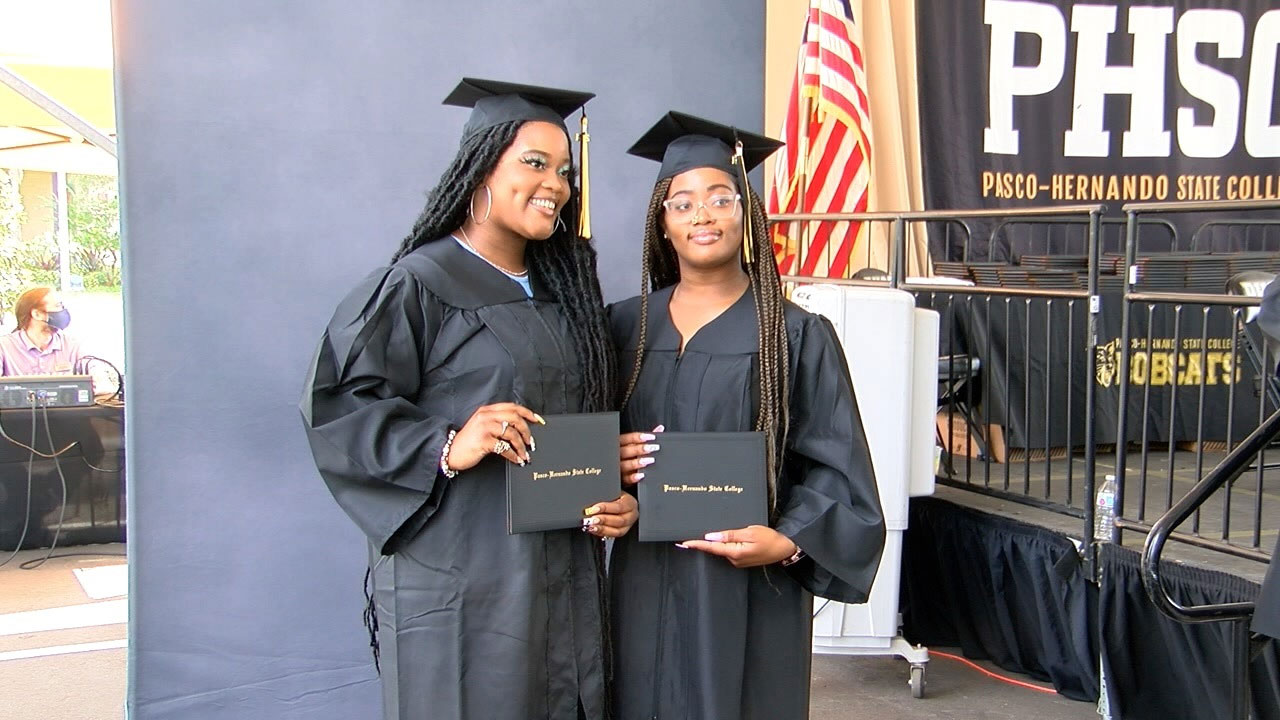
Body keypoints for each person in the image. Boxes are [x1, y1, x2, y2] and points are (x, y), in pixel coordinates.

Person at [300, 78, 636, 720]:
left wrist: (612, 489)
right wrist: (447, 444)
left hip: (561, 568)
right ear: (481, 169)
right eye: (534, 163)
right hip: (465, 575)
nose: (557, 185)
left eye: (564, 171)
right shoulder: (418, 283)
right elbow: (339, 406)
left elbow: (583, 419)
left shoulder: (566, 294)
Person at [608, 112, 886, 719]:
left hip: (748, 583)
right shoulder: (624, 326)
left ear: (747, 215)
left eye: (719, 198)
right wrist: (610, 469)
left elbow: (837, 464)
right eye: (682, 204)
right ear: (662, 224)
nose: (702, 215)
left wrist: (789, 542)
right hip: (641, 575)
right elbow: (586, 442)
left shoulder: (794, 333)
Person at [0, 287, 85, 376]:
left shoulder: (72, 346)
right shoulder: (4, 347)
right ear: (37, 314)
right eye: (57, 306)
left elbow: (93, 371)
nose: (63, 311)